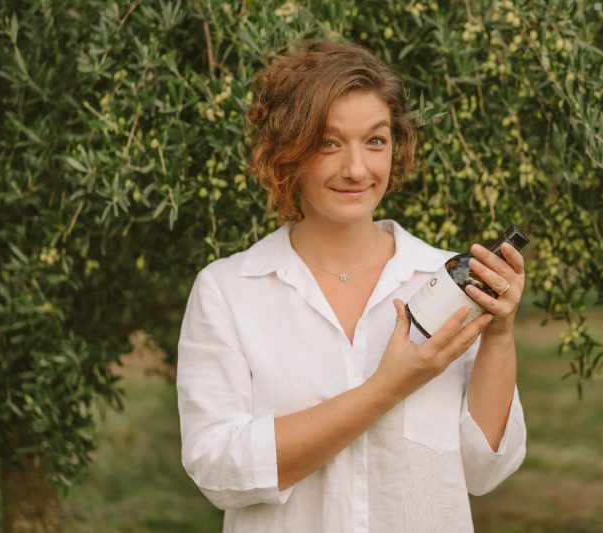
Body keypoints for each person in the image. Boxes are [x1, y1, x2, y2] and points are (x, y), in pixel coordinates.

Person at [177, 40, 527, 532]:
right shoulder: (229, 291)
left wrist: (499, 334)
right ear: (288, 153)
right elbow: (219, 470)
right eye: (329, 142)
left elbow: (485, 471)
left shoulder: (443, 281)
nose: (357, 169)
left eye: (376, 141)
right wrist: (388, 387)